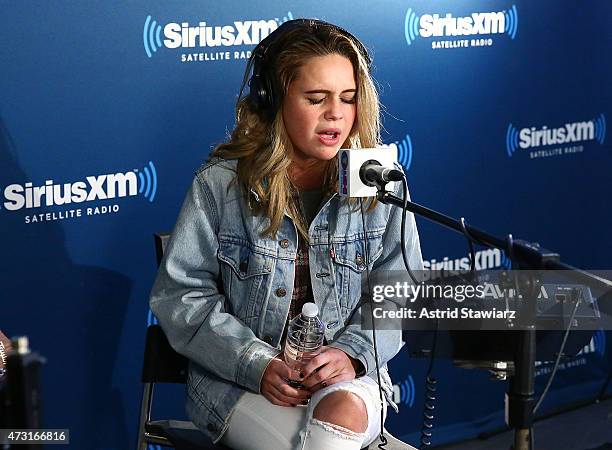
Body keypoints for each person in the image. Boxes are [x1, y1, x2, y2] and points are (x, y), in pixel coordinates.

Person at [150, 18, 423, 450]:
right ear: (273, 102)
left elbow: (398, 291)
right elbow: (181, 297)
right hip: (238, 384)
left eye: (348, 98)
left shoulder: (380, 182)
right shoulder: (220, 185)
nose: (336, 113)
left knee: (336, 423)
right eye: (316, 98)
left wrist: (351, 353)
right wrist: (256, 363)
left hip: (349, 382)